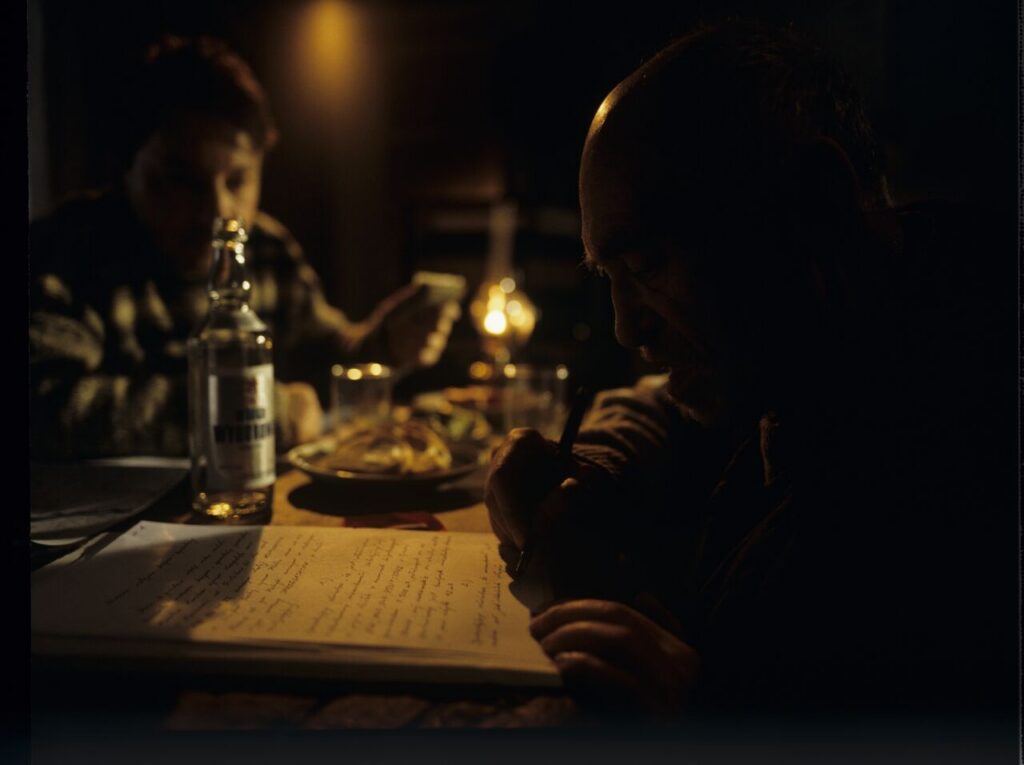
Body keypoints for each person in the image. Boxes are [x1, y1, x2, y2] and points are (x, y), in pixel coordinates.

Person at [485, 20, 1015, 720]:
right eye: (609, 277)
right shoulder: (826, 330)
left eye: (646, 265)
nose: (625, 328)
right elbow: (664, 402)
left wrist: (708, 716)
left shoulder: (969, 450)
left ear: (816, 202)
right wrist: (595, 468)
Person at [30, 36, 459, 458]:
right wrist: (247, 409)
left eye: (237, 181)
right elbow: (43, 404)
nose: (218, 211)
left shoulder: (268, 249)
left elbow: (323, 358)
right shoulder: (64, 252)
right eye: (184, 180)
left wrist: (385, 344)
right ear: (127, 166)